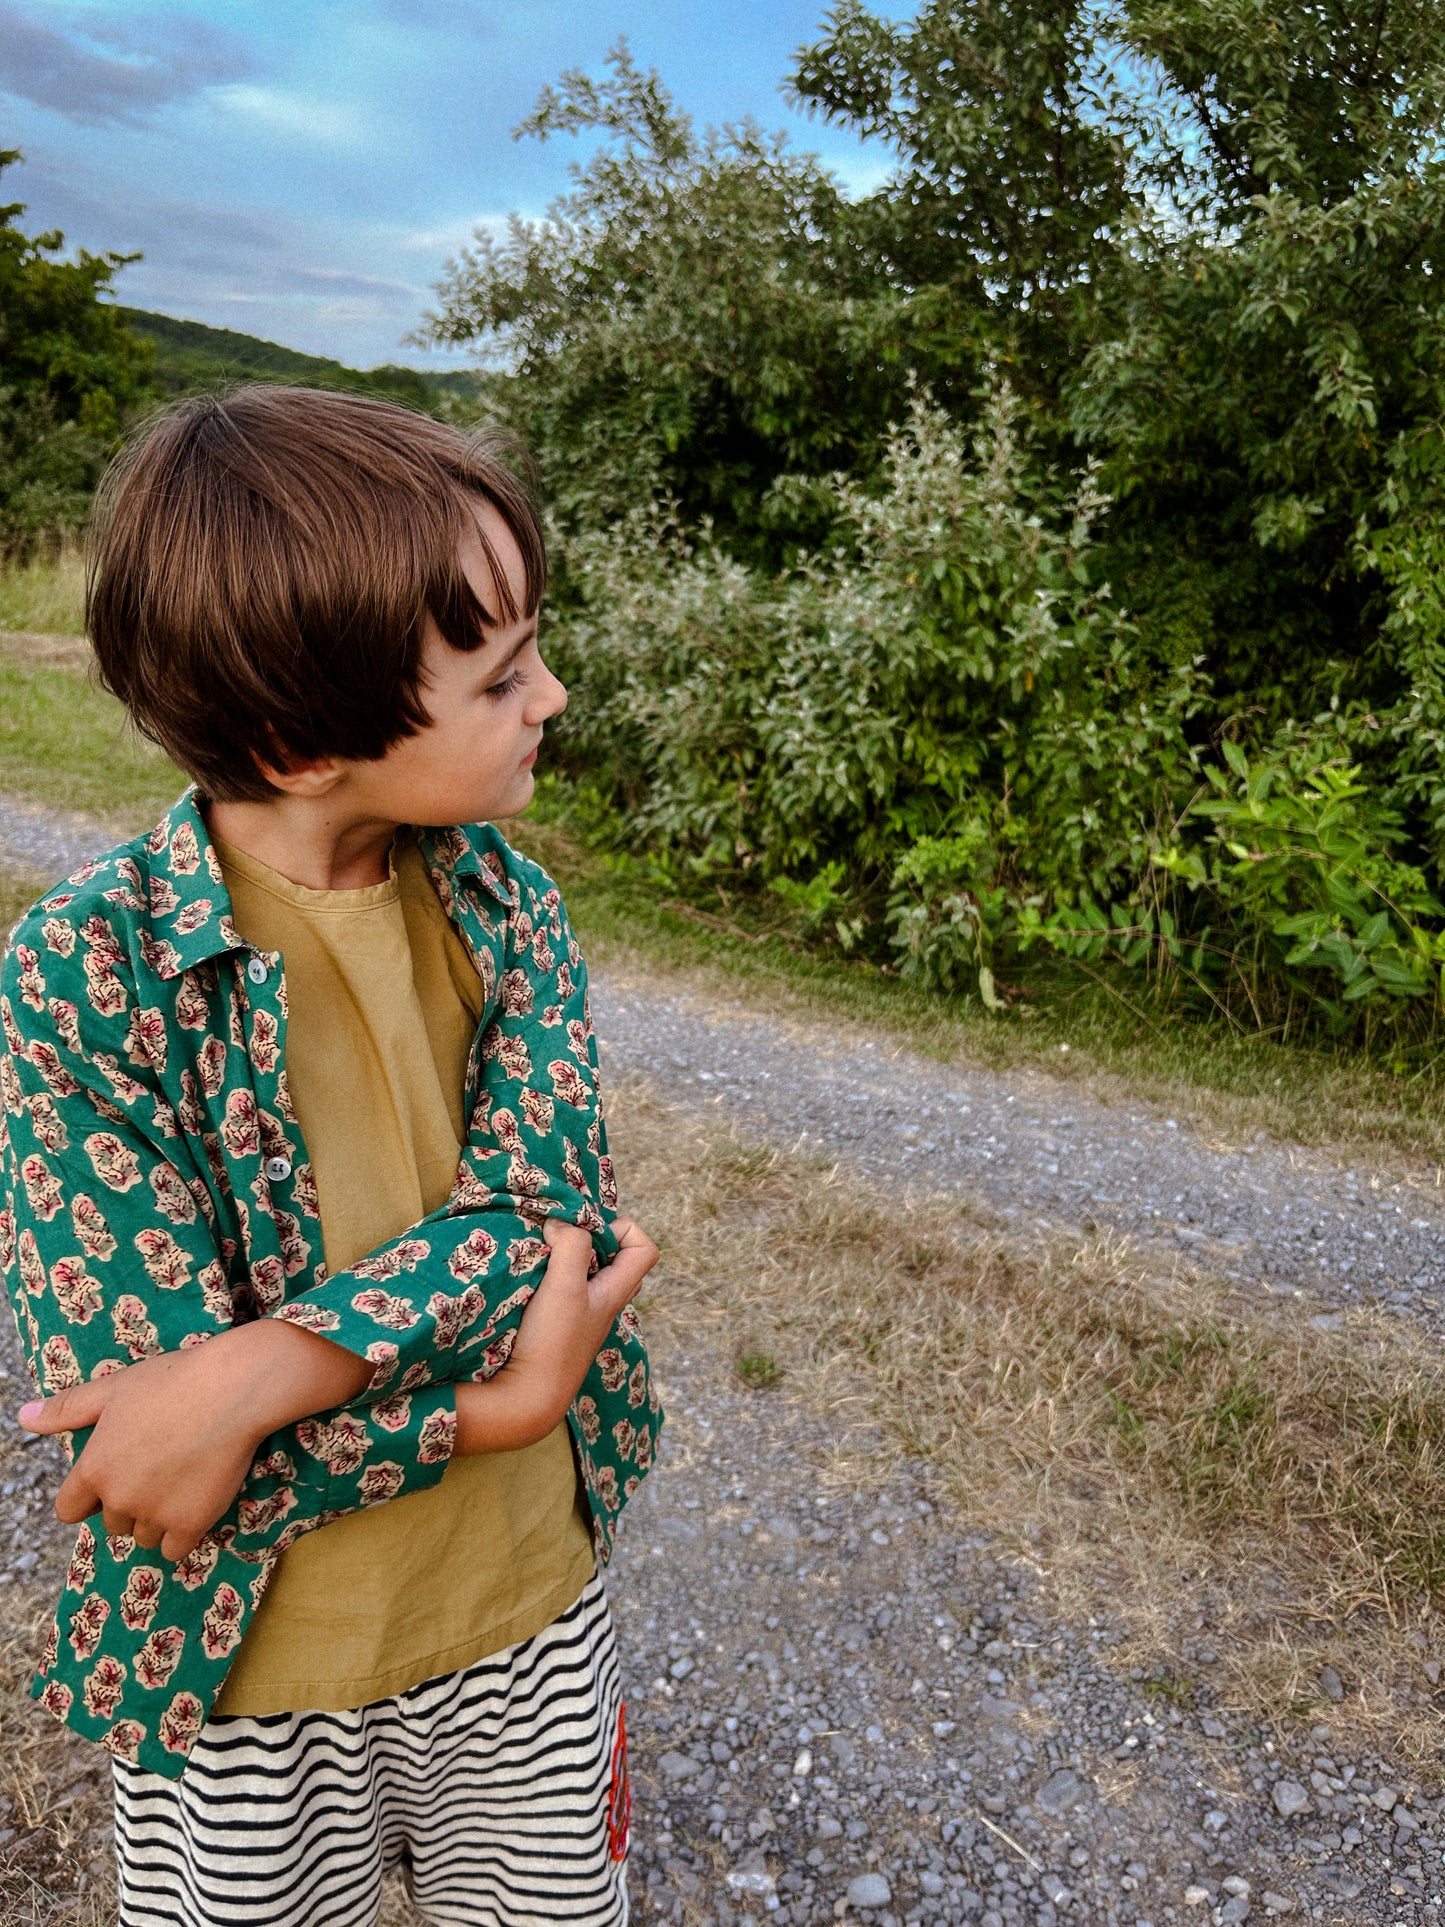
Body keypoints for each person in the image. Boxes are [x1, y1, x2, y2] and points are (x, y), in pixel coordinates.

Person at [0, 384, 663, 1926]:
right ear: (304, 744)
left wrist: (258, 1374)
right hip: (239, 1675)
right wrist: (494, 1411)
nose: (551, 696)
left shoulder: (514, 913)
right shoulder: (80, 972)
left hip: (522, 1612)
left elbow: (539, 1221)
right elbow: (150, 1462)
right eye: (501, 679)